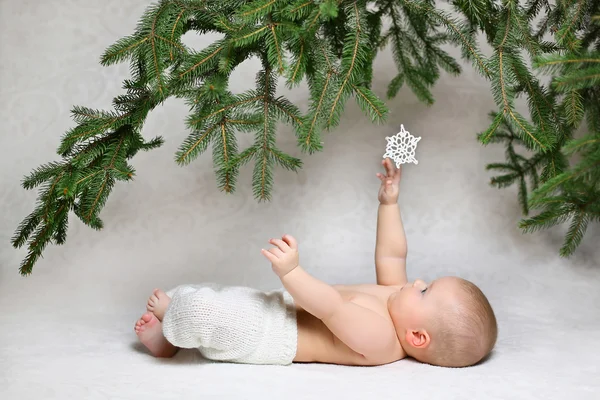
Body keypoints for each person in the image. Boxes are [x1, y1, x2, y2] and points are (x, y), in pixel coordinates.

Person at [134, 158, 497, 367]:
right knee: (222, 295)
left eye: (425, 291)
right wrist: (389, 203)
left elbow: (332, 307)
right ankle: (172, 335)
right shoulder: (394, 296)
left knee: (211, 314)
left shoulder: (382, 339)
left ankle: (170, 335)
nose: (416, 281)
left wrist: (292, 271)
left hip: (275, 337)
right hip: (282, 307)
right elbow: (392, 253)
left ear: (417, 337)